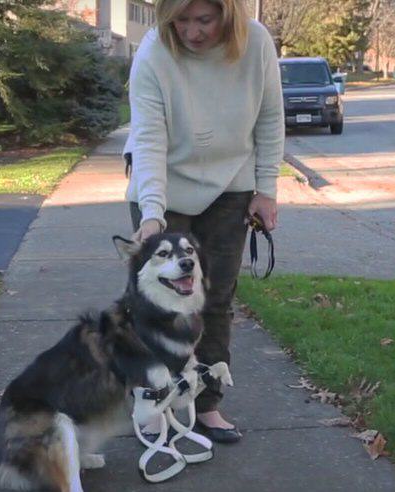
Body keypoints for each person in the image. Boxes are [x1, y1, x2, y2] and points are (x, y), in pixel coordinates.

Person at [122, 0, 284, 443]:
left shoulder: (257, 44)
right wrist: (152, 213)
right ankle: (153, 404)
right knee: (156, 304)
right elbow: (149, 137)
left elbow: (270, 117)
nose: (192, 32)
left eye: (204, 20)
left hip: (230, 184)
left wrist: (265, 188)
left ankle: (207, 403)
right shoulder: (155, 50)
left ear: (227, 13)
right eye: (182, 20)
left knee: (214, 301)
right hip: (164, 185)